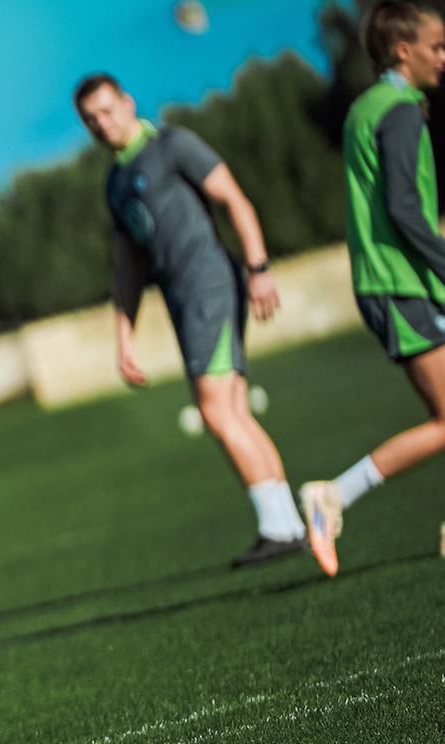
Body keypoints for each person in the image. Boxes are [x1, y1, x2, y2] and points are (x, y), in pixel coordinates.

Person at [73, 73, 304, 568]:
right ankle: (286, 523)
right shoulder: (115, 182)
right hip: (180, 299)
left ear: (128, 102)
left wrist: (258, 267)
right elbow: (129, 265)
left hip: (210, 285)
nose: (101, 123)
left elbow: (234, 199)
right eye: (91, 119)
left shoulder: (174, 145)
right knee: (232, 410)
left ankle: (279, 526)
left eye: (107, 110)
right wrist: (123, 335)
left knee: (216, 411)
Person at [299, 0, 445, 576]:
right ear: (404, 51)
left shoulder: (367, 107)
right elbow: (405, 210)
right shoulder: (404, 111)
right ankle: (333, 495)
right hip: (400, 281)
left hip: (392, 280)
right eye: (437, 47)